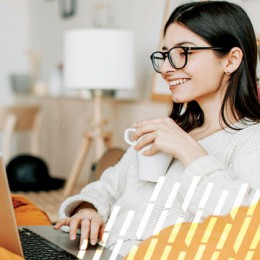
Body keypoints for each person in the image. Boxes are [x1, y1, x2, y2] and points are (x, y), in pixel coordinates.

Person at [54, 1, 260, 256]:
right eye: (164, 54)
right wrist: (88, 209)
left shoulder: (251, 140)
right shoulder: (170, 130)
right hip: (99, 250)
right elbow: (107, 185)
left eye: (183, 52)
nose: (165, 68)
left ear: (231, 60)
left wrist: (188, 151)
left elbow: (244, 222)